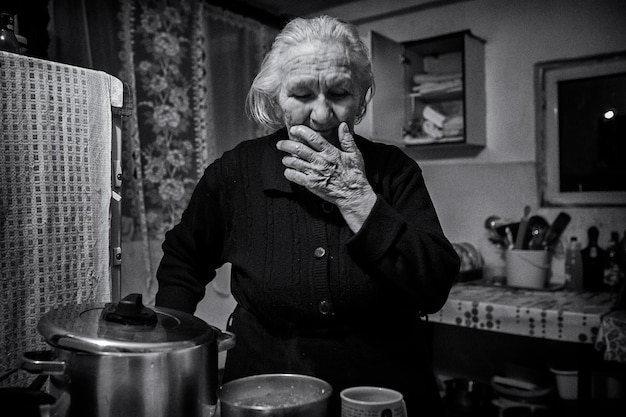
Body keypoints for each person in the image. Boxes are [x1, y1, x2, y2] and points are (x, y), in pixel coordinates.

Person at [155, 15, 460, 416]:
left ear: (362, 96)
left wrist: (357, 199)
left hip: (380, 396)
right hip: (265, 395)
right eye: (301, 94)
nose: (321, 114)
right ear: (274, 98)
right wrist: (168, 355)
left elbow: (433, 287)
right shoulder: (236, 172)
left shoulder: (393, 170)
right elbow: (184, 260)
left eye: (339, 93)